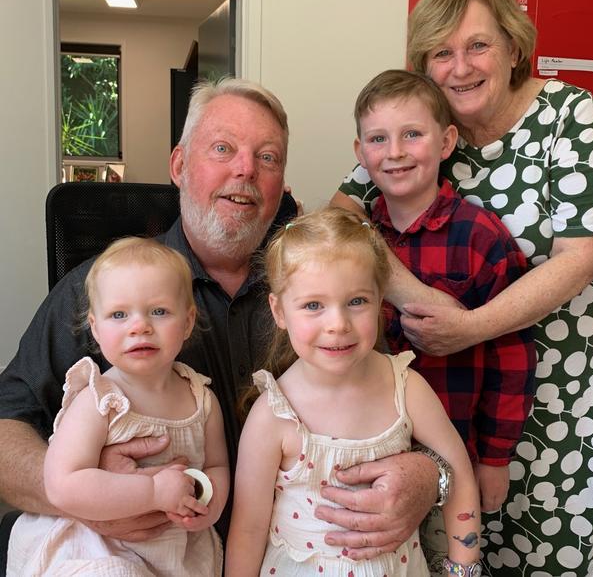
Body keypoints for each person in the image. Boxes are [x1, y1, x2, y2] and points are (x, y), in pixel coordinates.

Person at [0, 78, 441, 570]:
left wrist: (430, 474)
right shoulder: (103, 291)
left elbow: (401, 405)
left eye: (267, 157)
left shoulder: (323, 290)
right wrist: (84, 492)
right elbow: (5, 425)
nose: (246, 170)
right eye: (223, 148)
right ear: (179, 165)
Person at [333, 0, 593, 576]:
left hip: (569, 397)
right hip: (456, 404)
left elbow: (584, 254)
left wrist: (470, 325)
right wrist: (420, 298)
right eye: (441, 53)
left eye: (477, 45)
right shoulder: (419, 130)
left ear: (512, 46)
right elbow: (343, 220)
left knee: (563, 555)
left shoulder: (567, 112)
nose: (460, 67)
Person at [225, 207, 481, 577]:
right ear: (279, 311)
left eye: (357, 301)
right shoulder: (275, 414)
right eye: (313, 305)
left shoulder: (405, 387)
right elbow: (248, 530)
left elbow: (458, 474)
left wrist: (463, 569)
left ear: (380, 300)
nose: (338, 324)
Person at [352, 68, 536, 571]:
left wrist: (495, 459)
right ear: (360, 153)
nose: (395, 151)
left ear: (447, 140)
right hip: (365, 454)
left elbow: (512, 353)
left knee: (446, 562)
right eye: (378, 139)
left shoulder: (480, 236)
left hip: (451, 458)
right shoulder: (354, 239)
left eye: (412, 133)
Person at [7, 237, 229, 575]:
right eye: (119, 314)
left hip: (174, 546)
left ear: (187, 322)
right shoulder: (99, 400)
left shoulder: (201, 397)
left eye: (159, 311)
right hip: (98, 548)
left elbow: (216, 467)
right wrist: (153, 491)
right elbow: (62, 484)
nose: (139, 326)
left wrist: (209, 506)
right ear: (95, 329)